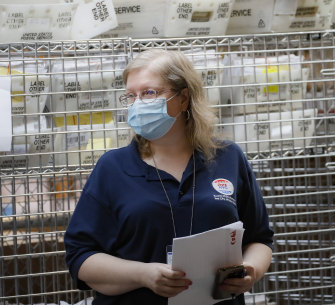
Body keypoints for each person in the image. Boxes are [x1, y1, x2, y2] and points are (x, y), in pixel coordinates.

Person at [64, 49, 274, 305]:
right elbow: (81, 257)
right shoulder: (113, 167)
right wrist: (143, 275)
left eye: (149, 93)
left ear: (184, 98)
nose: (138, 103)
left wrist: (251, 270)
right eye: (131, 96)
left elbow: (260, 239)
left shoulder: (229, 157)